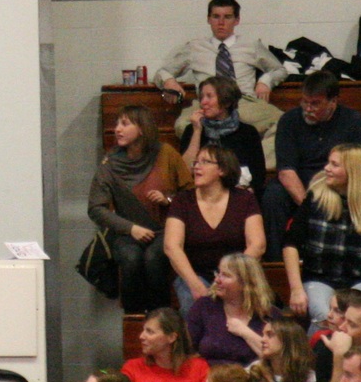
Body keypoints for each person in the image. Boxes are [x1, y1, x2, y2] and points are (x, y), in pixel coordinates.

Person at [282, 143, 361, 327]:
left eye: (334, 164)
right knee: (324, 315)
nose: (326, 168)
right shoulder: (315, 198)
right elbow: (290, 245)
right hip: (318, 278)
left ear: (353, 171)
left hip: (360, 280)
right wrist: (296, 289)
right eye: (328, 162)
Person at [88, 105, 190, 321]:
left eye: (125, 124)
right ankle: (133, 322)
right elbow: (96, 208)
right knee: (131, 258)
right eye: (117, 123)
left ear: (142, 128)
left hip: (165, 230)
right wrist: (130, 228)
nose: (117, 129)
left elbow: (190, 194)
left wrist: (168, 199)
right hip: (128, 232)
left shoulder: (166, 153)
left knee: (154, 258)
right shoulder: (110, 163)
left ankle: (163, 320)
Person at [155, 0, 287, 141]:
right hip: (206, 104)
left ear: (237, 20)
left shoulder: (252, 45)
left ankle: (252, 154)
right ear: (208, 19)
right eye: (216, 17)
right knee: (183, 125)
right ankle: (207, 155)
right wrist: (169, 81)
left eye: (227, 17)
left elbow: (279, 70)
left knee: (284, 123)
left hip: (242, 103)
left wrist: (265, 81)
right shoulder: (194, 47)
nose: (221, 23)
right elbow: (162, 72)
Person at [264, 70, 361, 242]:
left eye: (315, 104)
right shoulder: (289, 120)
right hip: (300, 182)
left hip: (338, 182)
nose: (308, 109)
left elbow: (360, 166)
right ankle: (276, 255)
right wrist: (308, 207)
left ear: (333, 101)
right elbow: (286, 171)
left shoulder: (353, 121)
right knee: (273, 194)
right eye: (304, 102)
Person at [163, 143, 265, 313]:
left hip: (237, 274)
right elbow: (172, 247)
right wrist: (196, 285)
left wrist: (229, 277)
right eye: (196, 162)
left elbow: (257, 245)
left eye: (205, 162)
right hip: (195, 275)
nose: (197, 167)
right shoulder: (182, 201)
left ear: (222, 170)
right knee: (195, 306)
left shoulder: (244, 199)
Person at [178, 75, 268, 196]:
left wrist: (245, 192)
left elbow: (258, 176)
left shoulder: (247, 133)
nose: (203, 102)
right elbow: (184, 172)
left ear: (227, 102)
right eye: (202, 97)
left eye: (209, 96)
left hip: (237, 194)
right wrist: (197, 131)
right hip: (199, 193)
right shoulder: (192, 129)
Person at [182, 253, 275, 367]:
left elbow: (279, 361)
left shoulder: (269, 314)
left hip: (251, 375)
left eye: (225, 275)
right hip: (209, 375)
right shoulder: (204, 306)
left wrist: (245, 332)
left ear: (245, 282)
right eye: (218, 273)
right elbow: (185, 350)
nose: (217, 280)